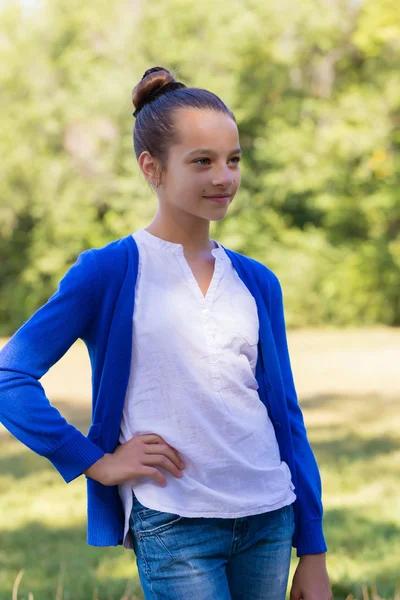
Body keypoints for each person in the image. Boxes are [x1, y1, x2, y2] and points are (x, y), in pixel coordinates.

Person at [0, 66, 332, 600]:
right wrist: (97, 461)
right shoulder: (106, 272)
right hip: (175, 522)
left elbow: (286, 418)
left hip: (270, 516)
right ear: (151, 168)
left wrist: (313, 550)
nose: (223, 177)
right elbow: (10, 375)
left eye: (233, 160)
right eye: (202, 161)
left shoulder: (256, 281)